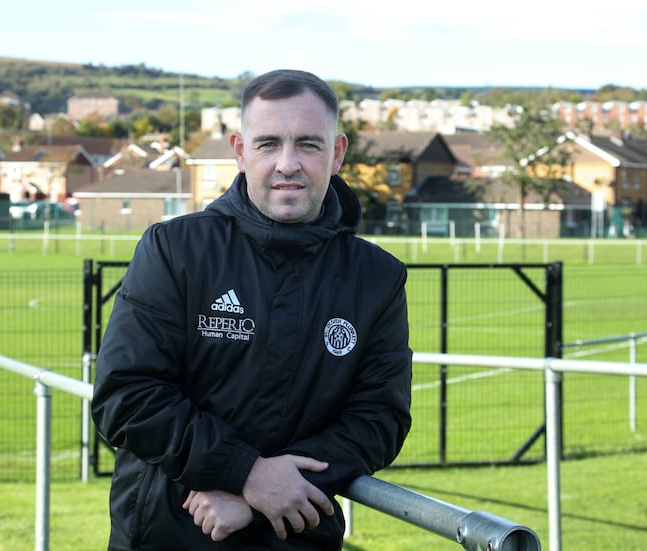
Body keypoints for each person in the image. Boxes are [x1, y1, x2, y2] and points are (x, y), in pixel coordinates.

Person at [91, 68, 412, 550]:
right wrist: (246, 472)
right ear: (240, 152)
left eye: (308, 144)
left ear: (337, 153)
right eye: (268, 144)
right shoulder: (175, 249)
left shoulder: (377, 277)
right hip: (170, 535)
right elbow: (127, 396)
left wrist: (262, 489)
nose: (288, 163)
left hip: (297, 537)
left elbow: (378, 420)